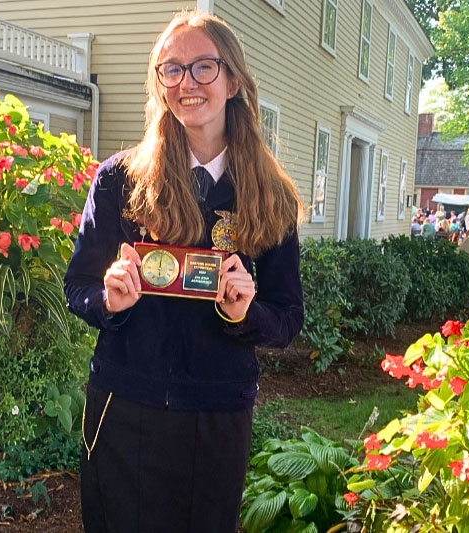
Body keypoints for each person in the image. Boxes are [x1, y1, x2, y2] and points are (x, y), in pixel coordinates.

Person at [63, 10, 304, 532]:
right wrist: (108, 300)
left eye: (202, 67)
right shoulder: (118, 182)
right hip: (126, 406)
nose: (186, 83)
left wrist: (246, 312)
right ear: (158, 82)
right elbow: (77, 286)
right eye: (170, 69)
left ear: (233, 79)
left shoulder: (269, 196)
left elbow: (287, 318)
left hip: (216, 413)